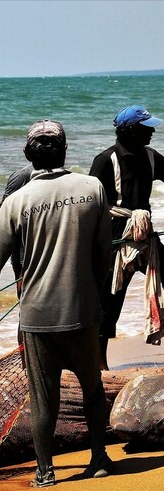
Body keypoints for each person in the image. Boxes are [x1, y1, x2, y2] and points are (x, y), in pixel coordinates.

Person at [0, 121, 114, 487]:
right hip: (84, 312)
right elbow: (104, 254)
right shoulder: (92, 188)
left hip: (38, 317)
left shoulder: (16, 202)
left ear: (27, 154)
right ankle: (99, 458)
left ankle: (45, 472)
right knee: (93, 389)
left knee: (43, 399)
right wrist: (92, 293)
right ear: (65, 150)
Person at [89, 105, 164, 370]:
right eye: (147, 128)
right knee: (108, 302)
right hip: (115, 240)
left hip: (146, 236)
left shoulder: (152, 157)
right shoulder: (104, 160)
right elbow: (90, 205)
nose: (153, 131)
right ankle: (100, 366)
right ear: (130, 131)